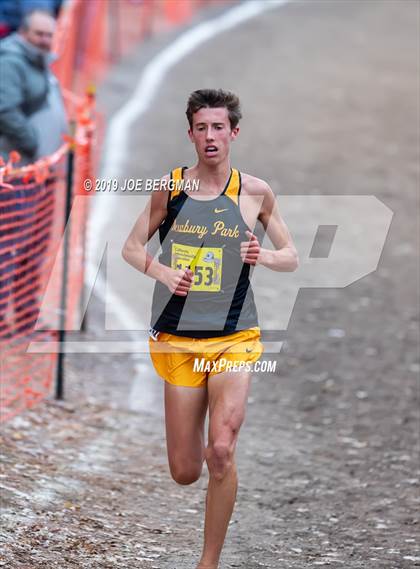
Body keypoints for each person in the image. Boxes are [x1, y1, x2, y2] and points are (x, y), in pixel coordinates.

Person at [121, 89, 299, 569]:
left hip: (235, 337)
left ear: (234, 132)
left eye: (219, 127)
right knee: (185, 470)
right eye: (201, 128)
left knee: (221, 447)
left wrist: (265, 255)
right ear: (191, 134)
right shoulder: (171, 188)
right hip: (179, 338)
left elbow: (292, 256)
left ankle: (208, 562)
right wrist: (161, 272)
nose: (210, 136)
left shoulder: (255, 192)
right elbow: (133, 248)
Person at [0, 8, 67, 165]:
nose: (44, 40)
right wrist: (32, 144)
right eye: (39, 34)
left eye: (49, 35)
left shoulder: (38, 58)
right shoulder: (9, 62)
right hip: (15, 163)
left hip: (34, 163)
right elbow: (5, 111)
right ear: (23, 33)